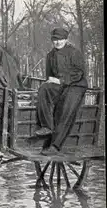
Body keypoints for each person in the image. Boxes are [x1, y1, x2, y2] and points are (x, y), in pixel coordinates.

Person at [34, 28, 88, 156]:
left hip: (76, 85)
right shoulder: (50, 55)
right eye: (55, 40)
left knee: (66, 108)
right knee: (43, 88)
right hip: (60, 85)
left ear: (66, 39)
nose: (58, 42)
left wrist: (61, 80)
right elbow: (49, 76)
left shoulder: (74, 53)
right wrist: (50, 82)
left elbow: (79, 73)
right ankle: (46, 126)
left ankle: (55, 145)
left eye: (60, 39)